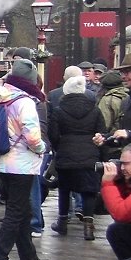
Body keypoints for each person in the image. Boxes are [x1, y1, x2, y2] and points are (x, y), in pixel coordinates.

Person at [0, 57, 51, 260]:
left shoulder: (3, 98)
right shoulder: (24, 102)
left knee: (22, 212)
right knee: (15, 213)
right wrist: (43, 148)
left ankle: (28, 258)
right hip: (22, 165)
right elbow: (32, 137)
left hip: (4, 163)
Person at [47, 72, 101, 237]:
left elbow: (53, 135)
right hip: (89, 154)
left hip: (66, 154)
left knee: (64, 188)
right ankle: (88, 227)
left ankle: (62, 222)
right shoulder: (95, 110)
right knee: (89, 190)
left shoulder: (58, 110)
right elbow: (101, 133)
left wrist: (59, 148)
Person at [96, 70, 129, 142]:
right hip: (127, 139)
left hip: (111, 140)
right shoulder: (128, 95)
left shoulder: (107, 100)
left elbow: (104, 124)